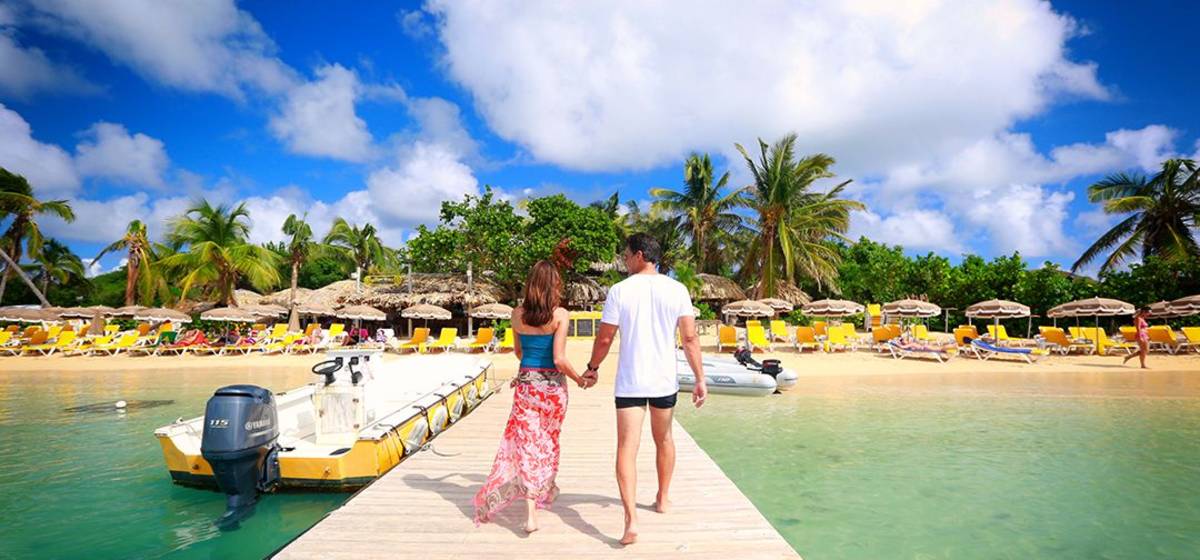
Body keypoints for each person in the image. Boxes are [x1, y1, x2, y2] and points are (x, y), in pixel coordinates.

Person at [582, 233, 707, 546]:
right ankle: (663, 499)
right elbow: (690, 338)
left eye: (626, 254)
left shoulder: (620, 291)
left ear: (639, 255)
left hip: (631, 382)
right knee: (664, 439)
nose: (624, 260)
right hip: (664, 380)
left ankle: (631, 520)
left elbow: (606, 338)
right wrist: (700, 378)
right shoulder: (677, 289)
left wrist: (593, 367)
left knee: (627, 446)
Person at [474, 260, 590, 533]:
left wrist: (528, 370)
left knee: (528, 444)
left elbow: (519, 353)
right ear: (554, 285)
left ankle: (531, 513)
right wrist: (580, 379)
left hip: (527, 386)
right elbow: (559, 360)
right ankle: (547, 489)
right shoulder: (560, 315)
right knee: (548, 439)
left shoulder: (516, 314)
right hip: (552, 391)